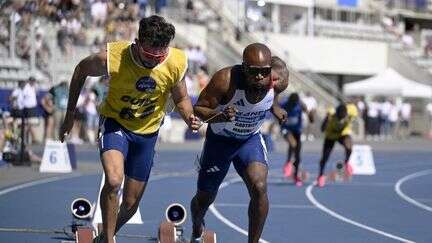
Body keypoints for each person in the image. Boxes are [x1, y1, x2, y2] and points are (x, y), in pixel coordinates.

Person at [59, 15, 201, 243]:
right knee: (114, 181)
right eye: (148, 55)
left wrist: (189, 117)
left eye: (159, 56)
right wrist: (69, 116)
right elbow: (79, 71)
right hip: (116, 124)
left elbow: (182, 98)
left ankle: (105, 235)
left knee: (131, 205)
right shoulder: (113, 58)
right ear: (137, 43)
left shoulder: (175, 62)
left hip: (147, 133)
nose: (154, 61)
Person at [189, 45, 289, 243]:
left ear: (270, 70)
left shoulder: (278, 81)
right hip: (220, 142)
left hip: (249, 140)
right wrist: (220, 115)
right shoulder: (225, 80)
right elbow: (199, 109)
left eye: (264, 72)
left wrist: (275, 108)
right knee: (204, 198)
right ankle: (197, 226)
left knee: (259, 187)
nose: (259, 77)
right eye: (254, 72)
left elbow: (272, 97)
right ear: (244, 68)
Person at [317, 103, 358, 187]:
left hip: (343, 134)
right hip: (331, 136)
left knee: (349, 146)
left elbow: (355, 113)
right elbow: (322, 129)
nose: (341, 121)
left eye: (343, 118)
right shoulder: (331, 115)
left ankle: (346, 162)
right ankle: (320, 176)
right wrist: (326, 121)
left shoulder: (352, 110)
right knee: (324, 158)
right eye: (339, 118)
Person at [280, 92, 311, 186]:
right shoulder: (284, 104)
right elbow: (275, 108)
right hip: (286, 129)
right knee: (293, 144)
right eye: (292, 103)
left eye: (295, 103)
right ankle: (288, 162)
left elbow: (308, 112)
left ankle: (296, 176)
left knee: (298, 156)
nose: (293, 105)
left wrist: (309, 111)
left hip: (297, 131)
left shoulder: (300, 104)